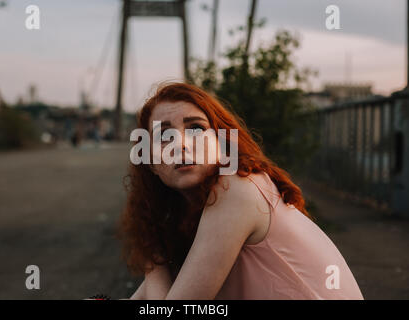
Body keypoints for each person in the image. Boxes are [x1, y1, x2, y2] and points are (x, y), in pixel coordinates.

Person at [117, 82, 363, 300]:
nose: (181, 144)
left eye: (196, 128)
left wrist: (153, 259)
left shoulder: (235, 188)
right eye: (164, 135)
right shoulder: (188, 211)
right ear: (151, 164)